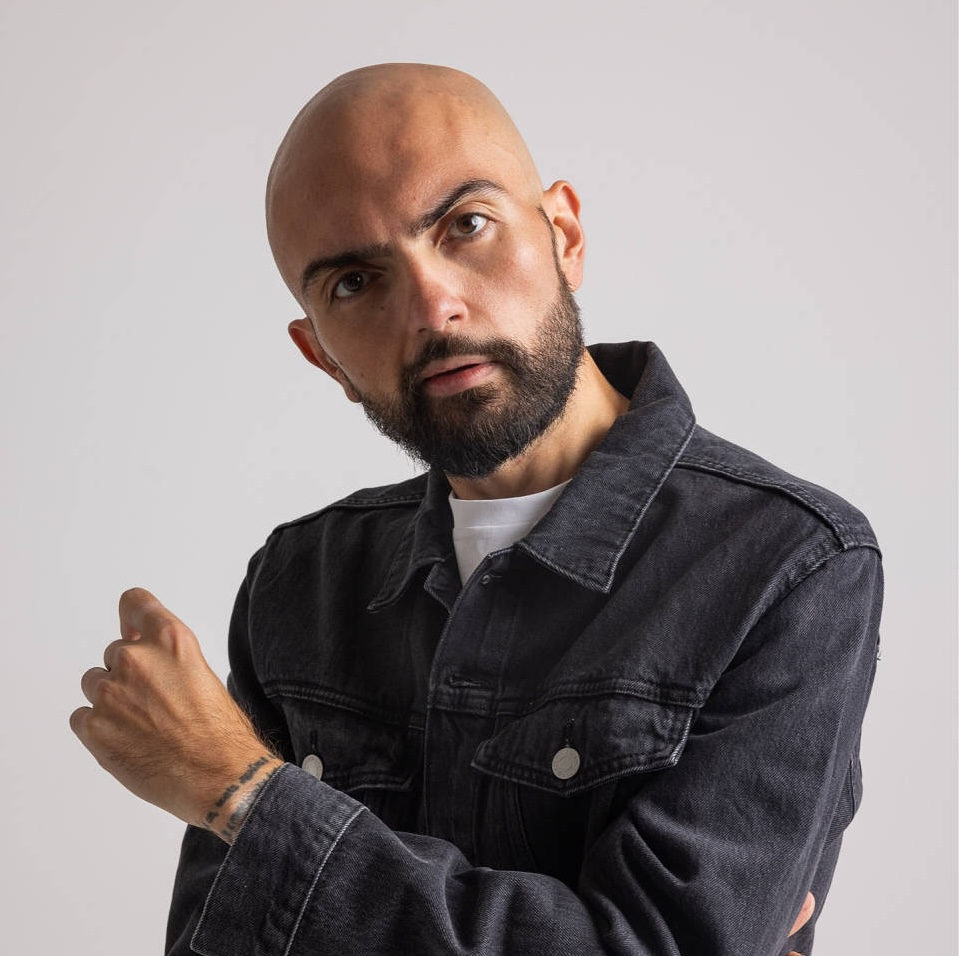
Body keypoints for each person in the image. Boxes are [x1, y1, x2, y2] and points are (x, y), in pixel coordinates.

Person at [70, 63, 882, 956]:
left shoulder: (785, 564)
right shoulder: (298, 584)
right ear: (321, 357)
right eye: (353, 282)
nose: (430, 307)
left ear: (563, 233)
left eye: (466, 225)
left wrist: (244, 793)